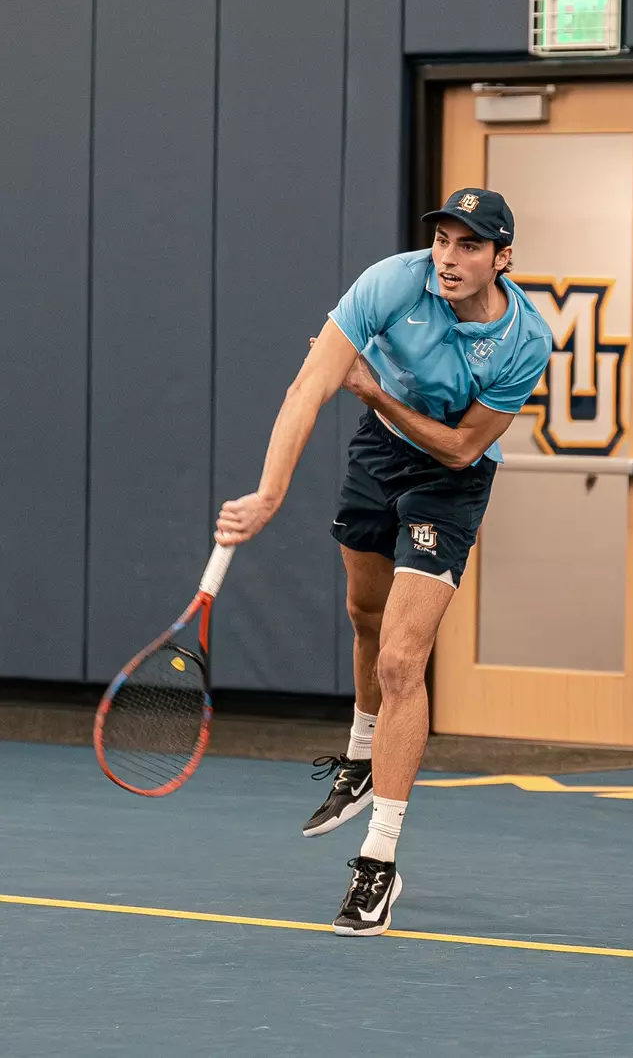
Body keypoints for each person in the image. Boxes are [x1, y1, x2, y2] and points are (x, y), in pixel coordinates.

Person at [215, 188, 552, 935]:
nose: (449, 258)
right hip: (376, 458)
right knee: (362, 616)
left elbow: (463, 446)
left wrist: (372, 391)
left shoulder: (526, 339)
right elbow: (309, 387)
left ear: (502, 259)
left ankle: (376, 864)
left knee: (402, 660)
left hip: (449, 481)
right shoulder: (389, 282)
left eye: (470, 246)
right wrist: (270, 494)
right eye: (442, 241)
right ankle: (360, 758)